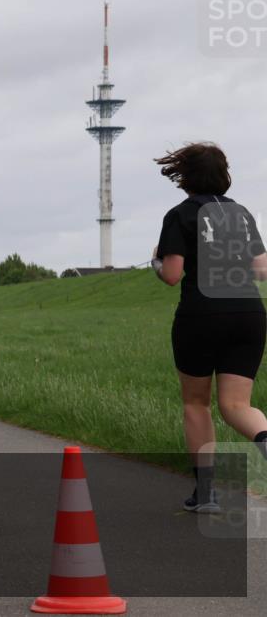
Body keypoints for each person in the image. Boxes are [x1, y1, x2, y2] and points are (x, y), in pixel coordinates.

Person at [152, 142, 267, 513]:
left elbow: (171, 275)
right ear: (223, 175)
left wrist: (155, 261)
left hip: (201, 316)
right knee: (237, 405)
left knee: (196, 404)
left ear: (185, 177)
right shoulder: (242, 214)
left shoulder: (180, 215)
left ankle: (206, 495)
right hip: (250, 313)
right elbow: (262, 268)